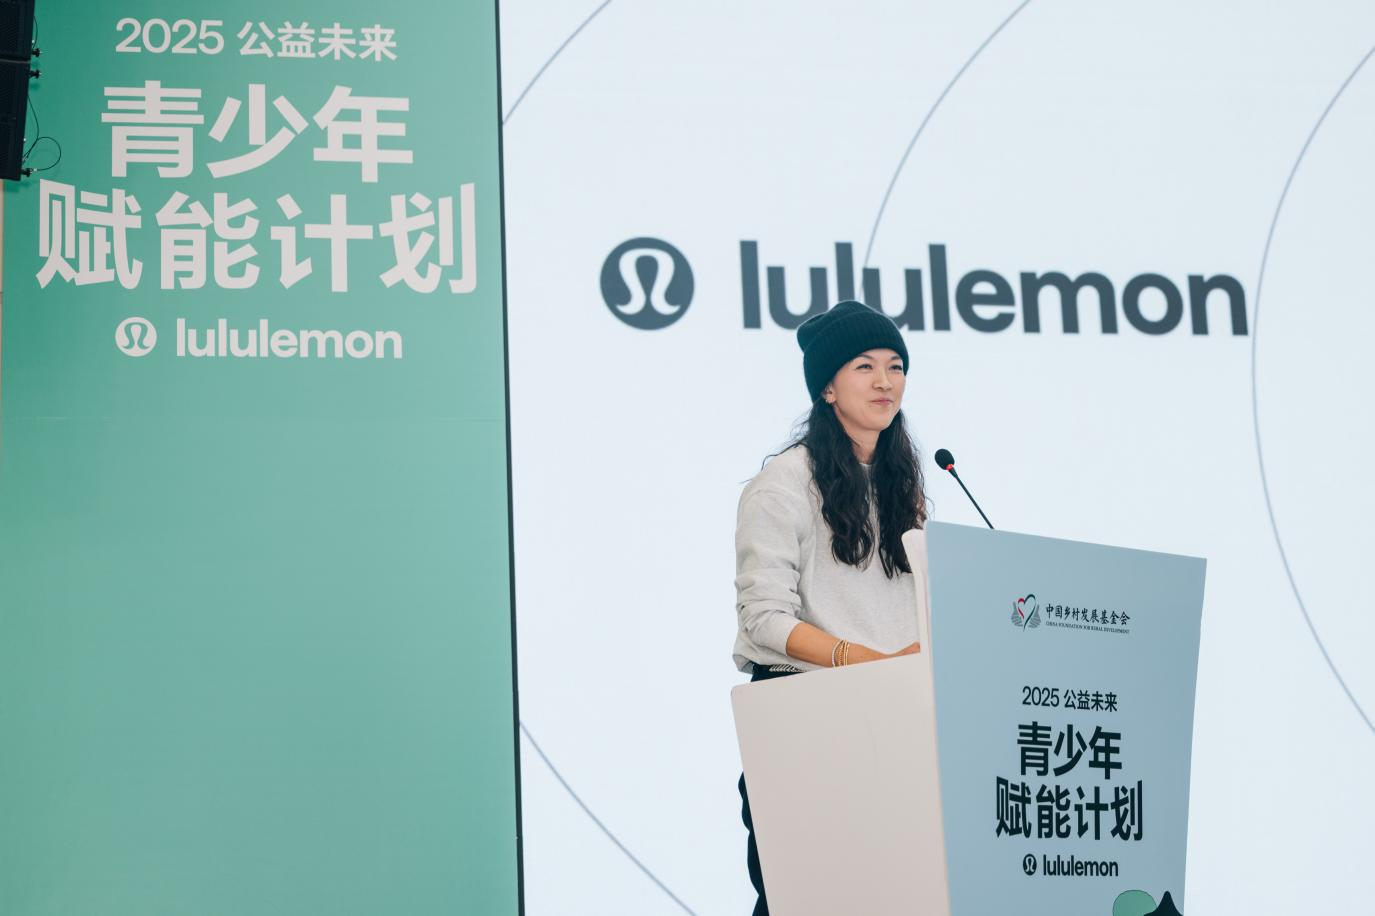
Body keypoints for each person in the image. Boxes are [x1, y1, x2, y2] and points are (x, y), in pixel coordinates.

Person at [733, 300, 928, 916]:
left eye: (896, 366)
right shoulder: (782, 484)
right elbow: (764, 617)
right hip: (805, 724)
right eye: (864, 366)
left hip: (895, 725)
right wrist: (866, 662)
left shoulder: (904, 486)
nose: (885, 381)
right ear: (826, 388)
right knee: (806, 900)